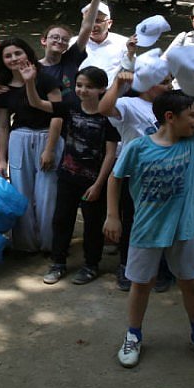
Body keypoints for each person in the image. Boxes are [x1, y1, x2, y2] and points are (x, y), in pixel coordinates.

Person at [106, 85, 194, 370]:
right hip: (145, 229)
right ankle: (133, 336)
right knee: (141, 285)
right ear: (170, 116)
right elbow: (115, 179)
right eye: (192, 115)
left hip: (184, 229)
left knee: (190, 283)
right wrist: (112, 215)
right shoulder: (138, 147)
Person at [34, 66, 120, 285]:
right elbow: (38, 104)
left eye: (89, 87)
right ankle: (58, 263)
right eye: (79, 85)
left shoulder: (109, 115)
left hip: (93, 181)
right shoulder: (70, 104)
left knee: (93, 224)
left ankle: (91, 265)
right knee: (62, 219)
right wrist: (28, 82)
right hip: (68, 176)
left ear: (102, 89)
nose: (82, 90)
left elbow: (110, 154)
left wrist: (99, 185)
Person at [98, 64, 174, 290]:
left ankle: (159, 268)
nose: (169, 86)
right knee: (132, 223)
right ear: (147, 85)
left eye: (170, 81)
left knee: (161, 224)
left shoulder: (171, 106)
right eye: (164, 82)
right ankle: (126, 266)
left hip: (165, 176)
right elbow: (104, 108)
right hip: (134, 176)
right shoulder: (129, 104)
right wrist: (119, 84)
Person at [0, 37, 63, 253]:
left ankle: (49, 244)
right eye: (8, 55)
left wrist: (50, 149)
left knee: (48, 193)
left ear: (28, 53)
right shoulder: (3, 87)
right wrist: (2, 158)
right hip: (19, 138)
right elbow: (3, 125)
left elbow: (58, 115)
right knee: (20, 191)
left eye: (18, 53)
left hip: (47, 137)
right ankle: (25, 245)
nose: (14, 58)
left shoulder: (46, 79)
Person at [70, 0, 130, 83]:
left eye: (98, 20)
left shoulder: (123, 43)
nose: (93, 25)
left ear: (109, 23)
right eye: (89, 21)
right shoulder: (73, 43)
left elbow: (130, 71)